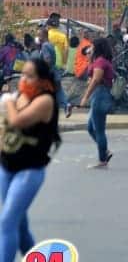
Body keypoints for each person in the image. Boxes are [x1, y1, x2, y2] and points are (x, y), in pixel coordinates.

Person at [0, 57, 61, 262]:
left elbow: (17, 121)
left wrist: (6, 102)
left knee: (7, 222)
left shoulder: (45, 100)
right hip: (7, 167)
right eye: (22, 75)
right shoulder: (20, 96)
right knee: (20, 226)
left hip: (29, 171)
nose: (23, 80)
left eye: (30, 76)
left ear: (43, 80)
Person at [79, 38, 115, 169]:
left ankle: (102, 159)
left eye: (92, 47)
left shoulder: (100, 62)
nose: (90, 49)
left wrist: (85, 97)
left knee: (99, 129)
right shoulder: (98, 61)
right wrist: (89, 60)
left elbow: (95, 79)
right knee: (90, 127)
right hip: (99, 95)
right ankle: (105, 151)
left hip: (100, 95)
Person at [36, 28, 71, 118]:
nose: (38, 37)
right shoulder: (51, 45)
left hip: (48, 74)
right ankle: (67, 105)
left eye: (39, 35)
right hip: (55, 73)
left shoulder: (44, 46)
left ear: (44, 35)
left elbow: (47, 60)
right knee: (59, 91)